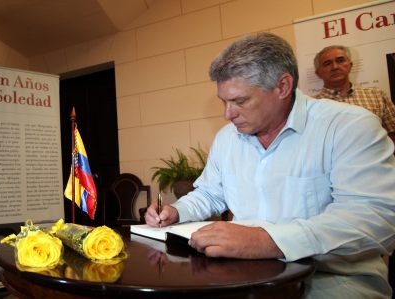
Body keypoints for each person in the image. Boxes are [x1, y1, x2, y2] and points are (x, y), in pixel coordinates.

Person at [145, 33, 395, 297]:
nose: (227, 114)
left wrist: (267, 241)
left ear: (283, 87)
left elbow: (375, 218)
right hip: (244, 278)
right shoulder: (227, 138)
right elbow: (209, 193)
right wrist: (177, 210)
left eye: (240, 101)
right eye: (224, 101)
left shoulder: (348, 127)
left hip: (331, 280)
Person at [313, 45, 395, 146]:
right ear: (318, 73)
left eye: (340, 60)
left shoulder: (377, 96)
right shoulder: (311, 106)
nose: (335, 67)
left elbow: (393, 132)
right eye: (327, 63)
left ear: (350, 65)